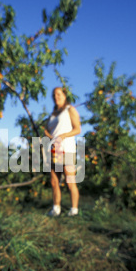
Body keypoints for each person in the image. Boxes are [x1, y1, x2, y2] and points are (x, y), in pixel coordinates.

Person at [44, 86, 81, 217]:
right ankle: (56, 209)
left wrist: (64, 136)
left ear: (65, 96)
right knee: (54, 181)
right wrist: (47, 134)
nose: (56, 97)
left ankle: (74, 210)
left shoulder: (69, 109)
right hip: (54, 150)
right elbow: (53, 133)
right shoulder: (53, 114)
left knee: (70, 181)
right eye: (54, 95)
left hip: (67, 149)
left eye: (59, 94)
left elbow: (78, 129)